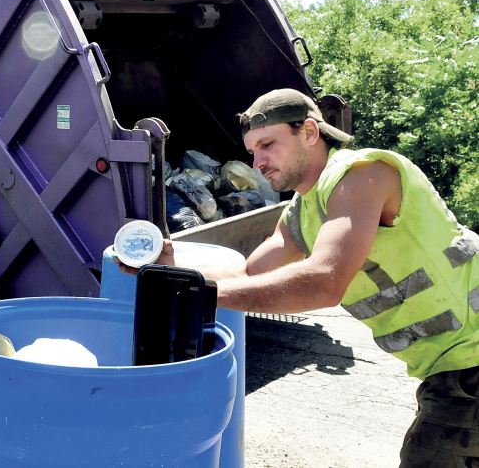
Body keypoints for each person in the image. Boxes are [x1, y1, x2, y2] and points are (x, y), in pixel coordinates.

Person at [123, 88, 479, 467]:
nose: (258, 162)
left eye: (268, 144)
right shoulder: (302, 210)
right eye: (252, 151)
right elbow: (248, 273)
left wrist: (200, 295)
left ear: (309, 132)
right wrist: (171, 269)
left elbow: (324, 280)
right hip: (451, 370)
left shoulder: (364, 175)